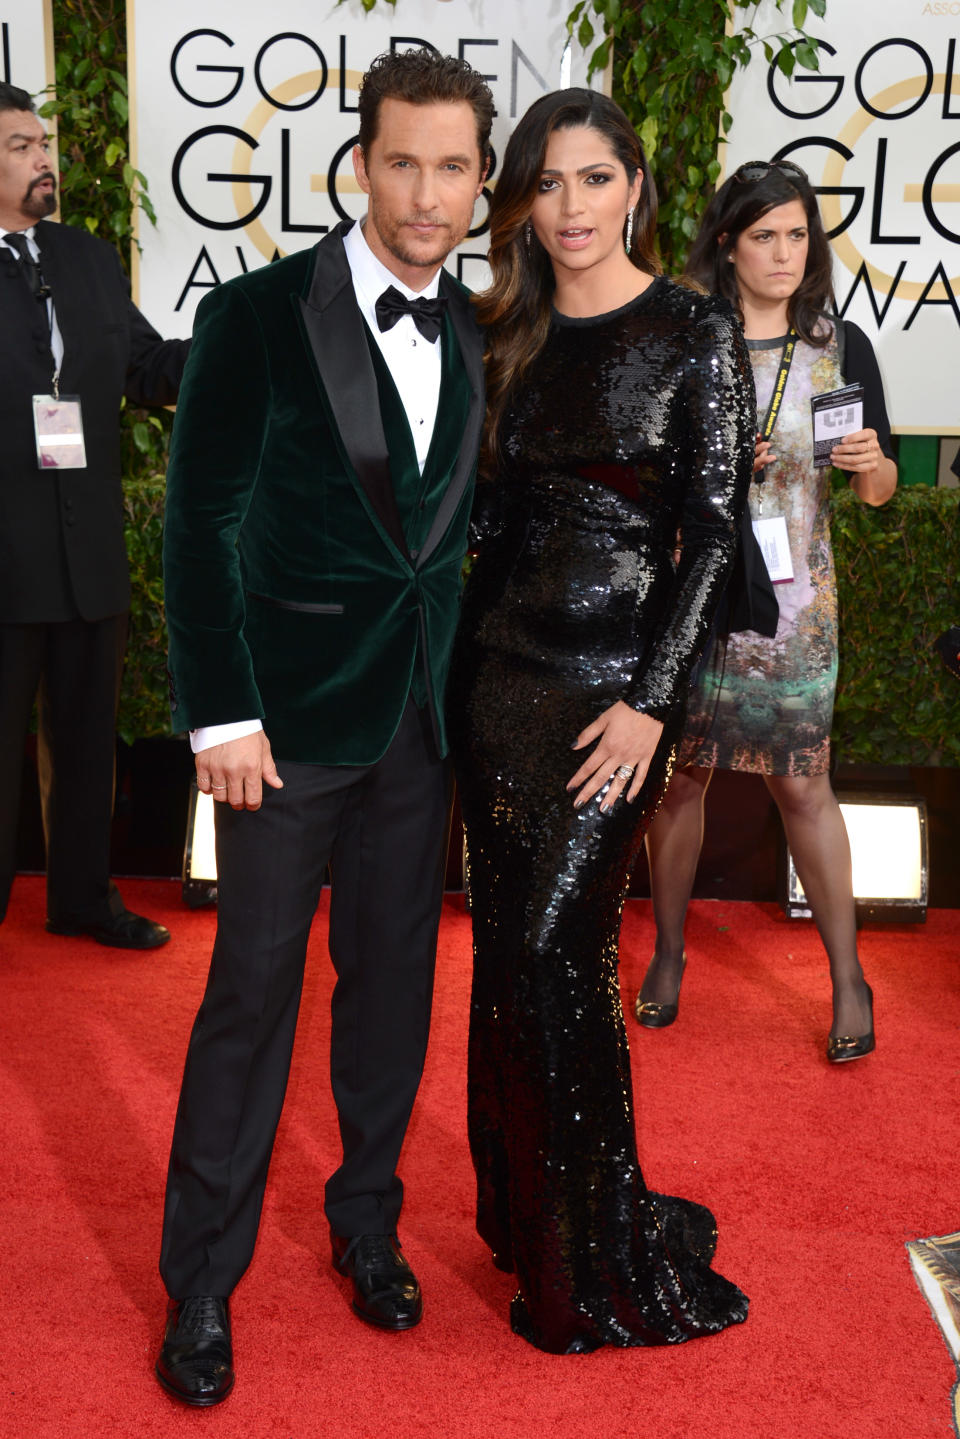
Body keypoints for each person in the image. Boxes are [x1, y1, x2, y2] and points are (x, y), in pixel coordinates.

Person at [155, 49, 492, 1406]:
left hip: (418, 721)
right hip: (281, 733)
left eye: (452, 166)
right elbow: (199, 526)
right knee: (251, 998)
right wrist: (220, 713)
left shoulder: (478, 328)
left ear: (480, 181)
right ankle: (200, 1286)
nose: (426, 192)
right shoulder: (254, 315)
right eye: (401, 161)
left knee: (395, 995)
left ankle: (366, 1224)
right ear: (358, 165)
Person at [447, 88, 754, 1355]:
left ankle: (586, 1259)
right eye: (547, 184)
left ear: (635, 183)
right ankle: (534, 1211)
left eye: (592, 179)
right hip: (495, 688)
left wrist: (652, 706)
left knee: (552, 963)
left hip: (610, 701)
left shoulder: (695, 337)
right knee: (509, 966)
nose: (569, 208)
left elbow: (717, 536)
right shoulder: (503, 333)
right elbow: (480, 527)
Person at [636, 159, 897, 1062]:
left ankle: (848, 976)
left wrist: (869, 465)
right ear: (727, 245)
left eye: (797, 234)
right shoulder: (687, 338)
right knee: (679, 780)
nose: (785, 254)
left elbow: (878, 489)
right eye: (763, 237)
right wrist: (708, 471)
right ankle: (668, 955)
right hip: (696, 600)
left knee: (803, 786)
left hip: (795, 611)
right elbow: (645, 479)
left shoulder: (838, 345)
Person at [0, 81, 189, 948]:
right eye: (21, 146)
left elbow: (145, 367)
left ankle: (82, 899)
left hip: (88, 559)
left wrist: (234, 350)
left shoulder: (84, 257)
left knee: (86, 751)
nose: (45, 159)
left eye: (44, 144)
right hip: (6, 559)